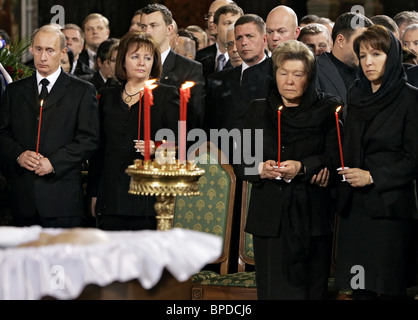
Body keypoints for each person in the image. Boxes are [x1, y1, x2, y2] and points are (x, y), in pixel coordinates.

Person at [237, 40, 342, 300]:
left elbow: (337, 156)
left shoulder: (328, 108)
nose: (290, 81)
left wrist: (304, 166)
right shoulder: (257, 109)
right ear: (275, 75)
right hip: (270, 218)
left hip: (312, 216)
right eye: (283, 73)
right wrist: (260, 168)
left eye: (298, 74)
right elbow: (241, 160)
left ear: (310, 77)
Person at [335, 25, 418, 300]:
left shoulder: (410, 98)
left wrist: (372, 176)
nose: (368, 62)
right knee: (359, 291)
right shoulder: (355, 94)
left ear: (391, 56)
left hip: (389, 209)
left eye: (376, 54)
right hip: (354, 208)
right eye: (362, 55)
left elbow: (413, 159)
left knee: (388, 289)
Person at [0, 24, 100, 228]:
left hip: (61, 199)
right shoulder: (15, 91)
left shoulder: (82, 91)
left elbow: (89, 140)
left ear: (63, 52)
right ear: (31, 50)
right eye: (38, 49)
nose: (43, 57)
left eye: (50, 50)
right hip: (22, 199)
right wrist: (19, 155)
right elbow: (2, 134)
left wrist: (53, 162)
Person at [87, 32, 180, 231]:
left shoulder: (166, 96)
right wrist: (94, 192)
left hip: (147, 198)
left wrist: (157, 148)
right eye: (135, 57)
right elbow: (98, 150)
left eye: (148, 58)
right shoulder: (106, 96)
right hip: (110, 196)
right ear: (123, 61)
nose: (142, 63)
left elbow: (179, 144)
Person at [139, 4, 205, 131]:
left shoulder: (189, 68)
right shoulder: (132, 64)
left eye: (153, 26)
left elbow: (195, 116)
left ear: (169, 29)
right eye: (143, 26)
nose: (147, 32)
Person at [316, 12, 373, 121]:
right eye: (360, 42)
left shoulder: (369, 72)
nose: (364, 50)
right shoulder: (314, 71)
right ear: (340, 40)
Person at [196, 4, 243, 79]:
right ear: (215, 28)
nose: (233, 28)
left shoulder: (247, 58)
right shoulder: (198, 58)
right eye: (228, 23)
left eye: (236, 24)